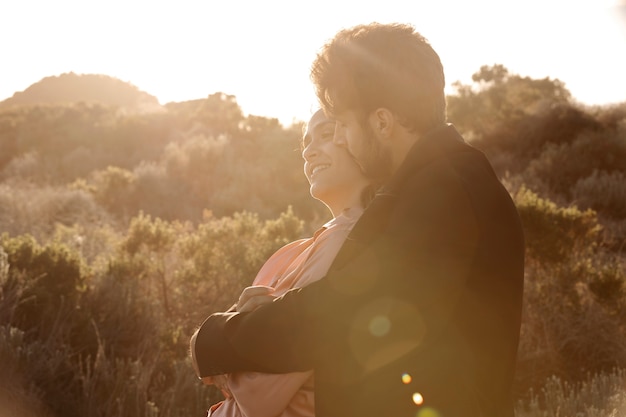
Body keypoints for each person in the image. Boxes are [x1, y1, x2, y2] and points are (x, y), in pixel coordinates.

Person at [192, 22, 525, 417]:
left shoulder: (448, 191)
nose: (344, 140)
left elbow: (340, 313)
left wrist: (216, 339)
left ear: (382, 122)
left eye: (345, 126)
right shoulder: (437, 183)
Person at [190, 109, 373, 416]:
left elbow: (260, 394)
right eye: (306, 142)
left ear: (362, 141)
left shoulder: (345, 241)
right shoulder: (317, 243)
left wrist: (226, 349)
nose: (309, 151)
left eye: (326, 135)